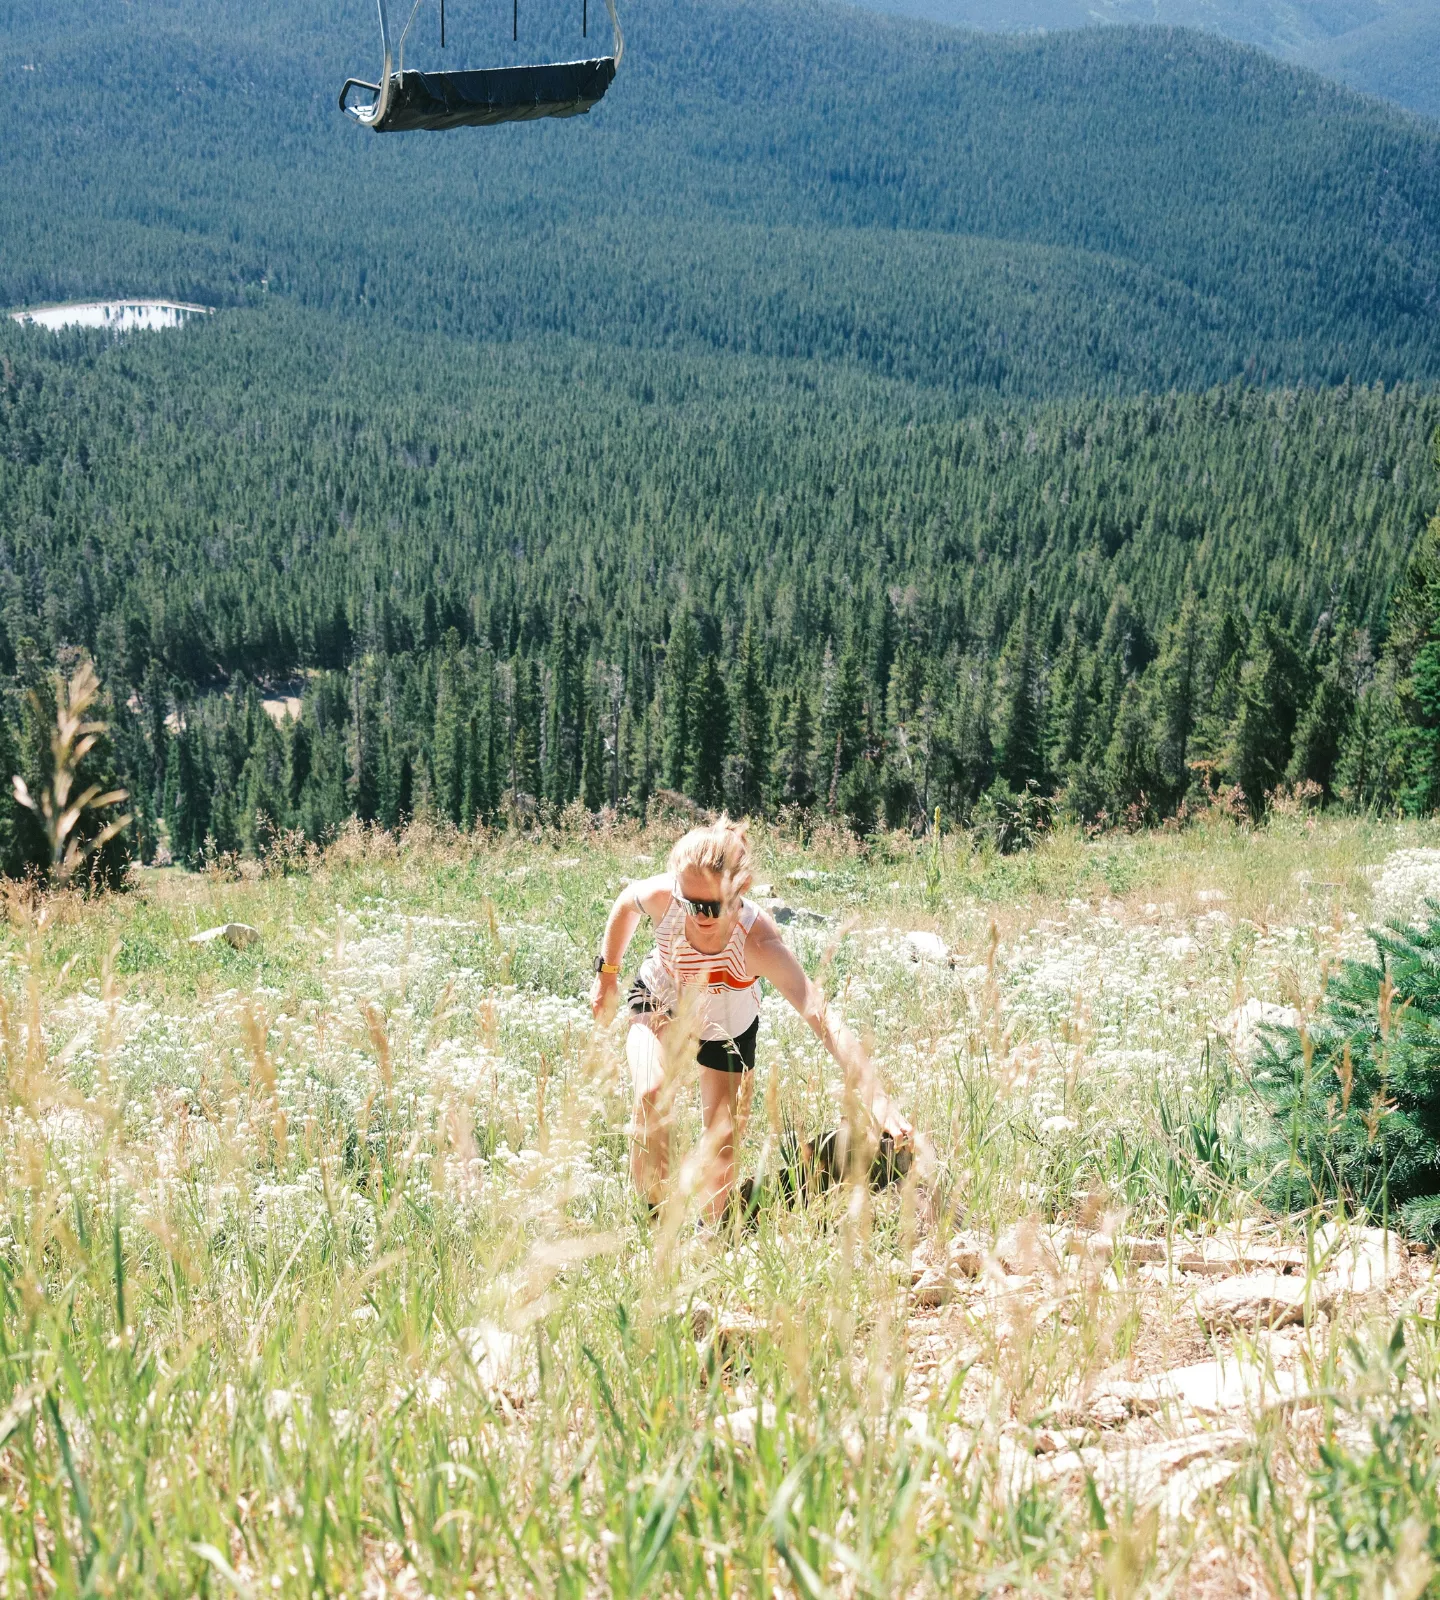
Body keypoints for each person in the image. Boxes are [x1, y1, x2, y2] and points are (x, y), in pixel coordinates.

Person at [589, 815, 913, 1223]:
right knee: (651, 1095)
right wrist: (607, 976)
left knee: (721, 1149)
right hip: (661, 997)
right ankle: (657, 1228)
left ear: (739, 892)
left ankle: (713, 1234)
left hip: (726, 1024)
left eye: (711, 906)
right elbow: (625, 904)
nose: (698, 915)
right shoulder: (665, 897)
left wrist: (877, 1097)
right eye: (690, 903)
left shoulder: (758, 941)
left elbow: (822, 1016)